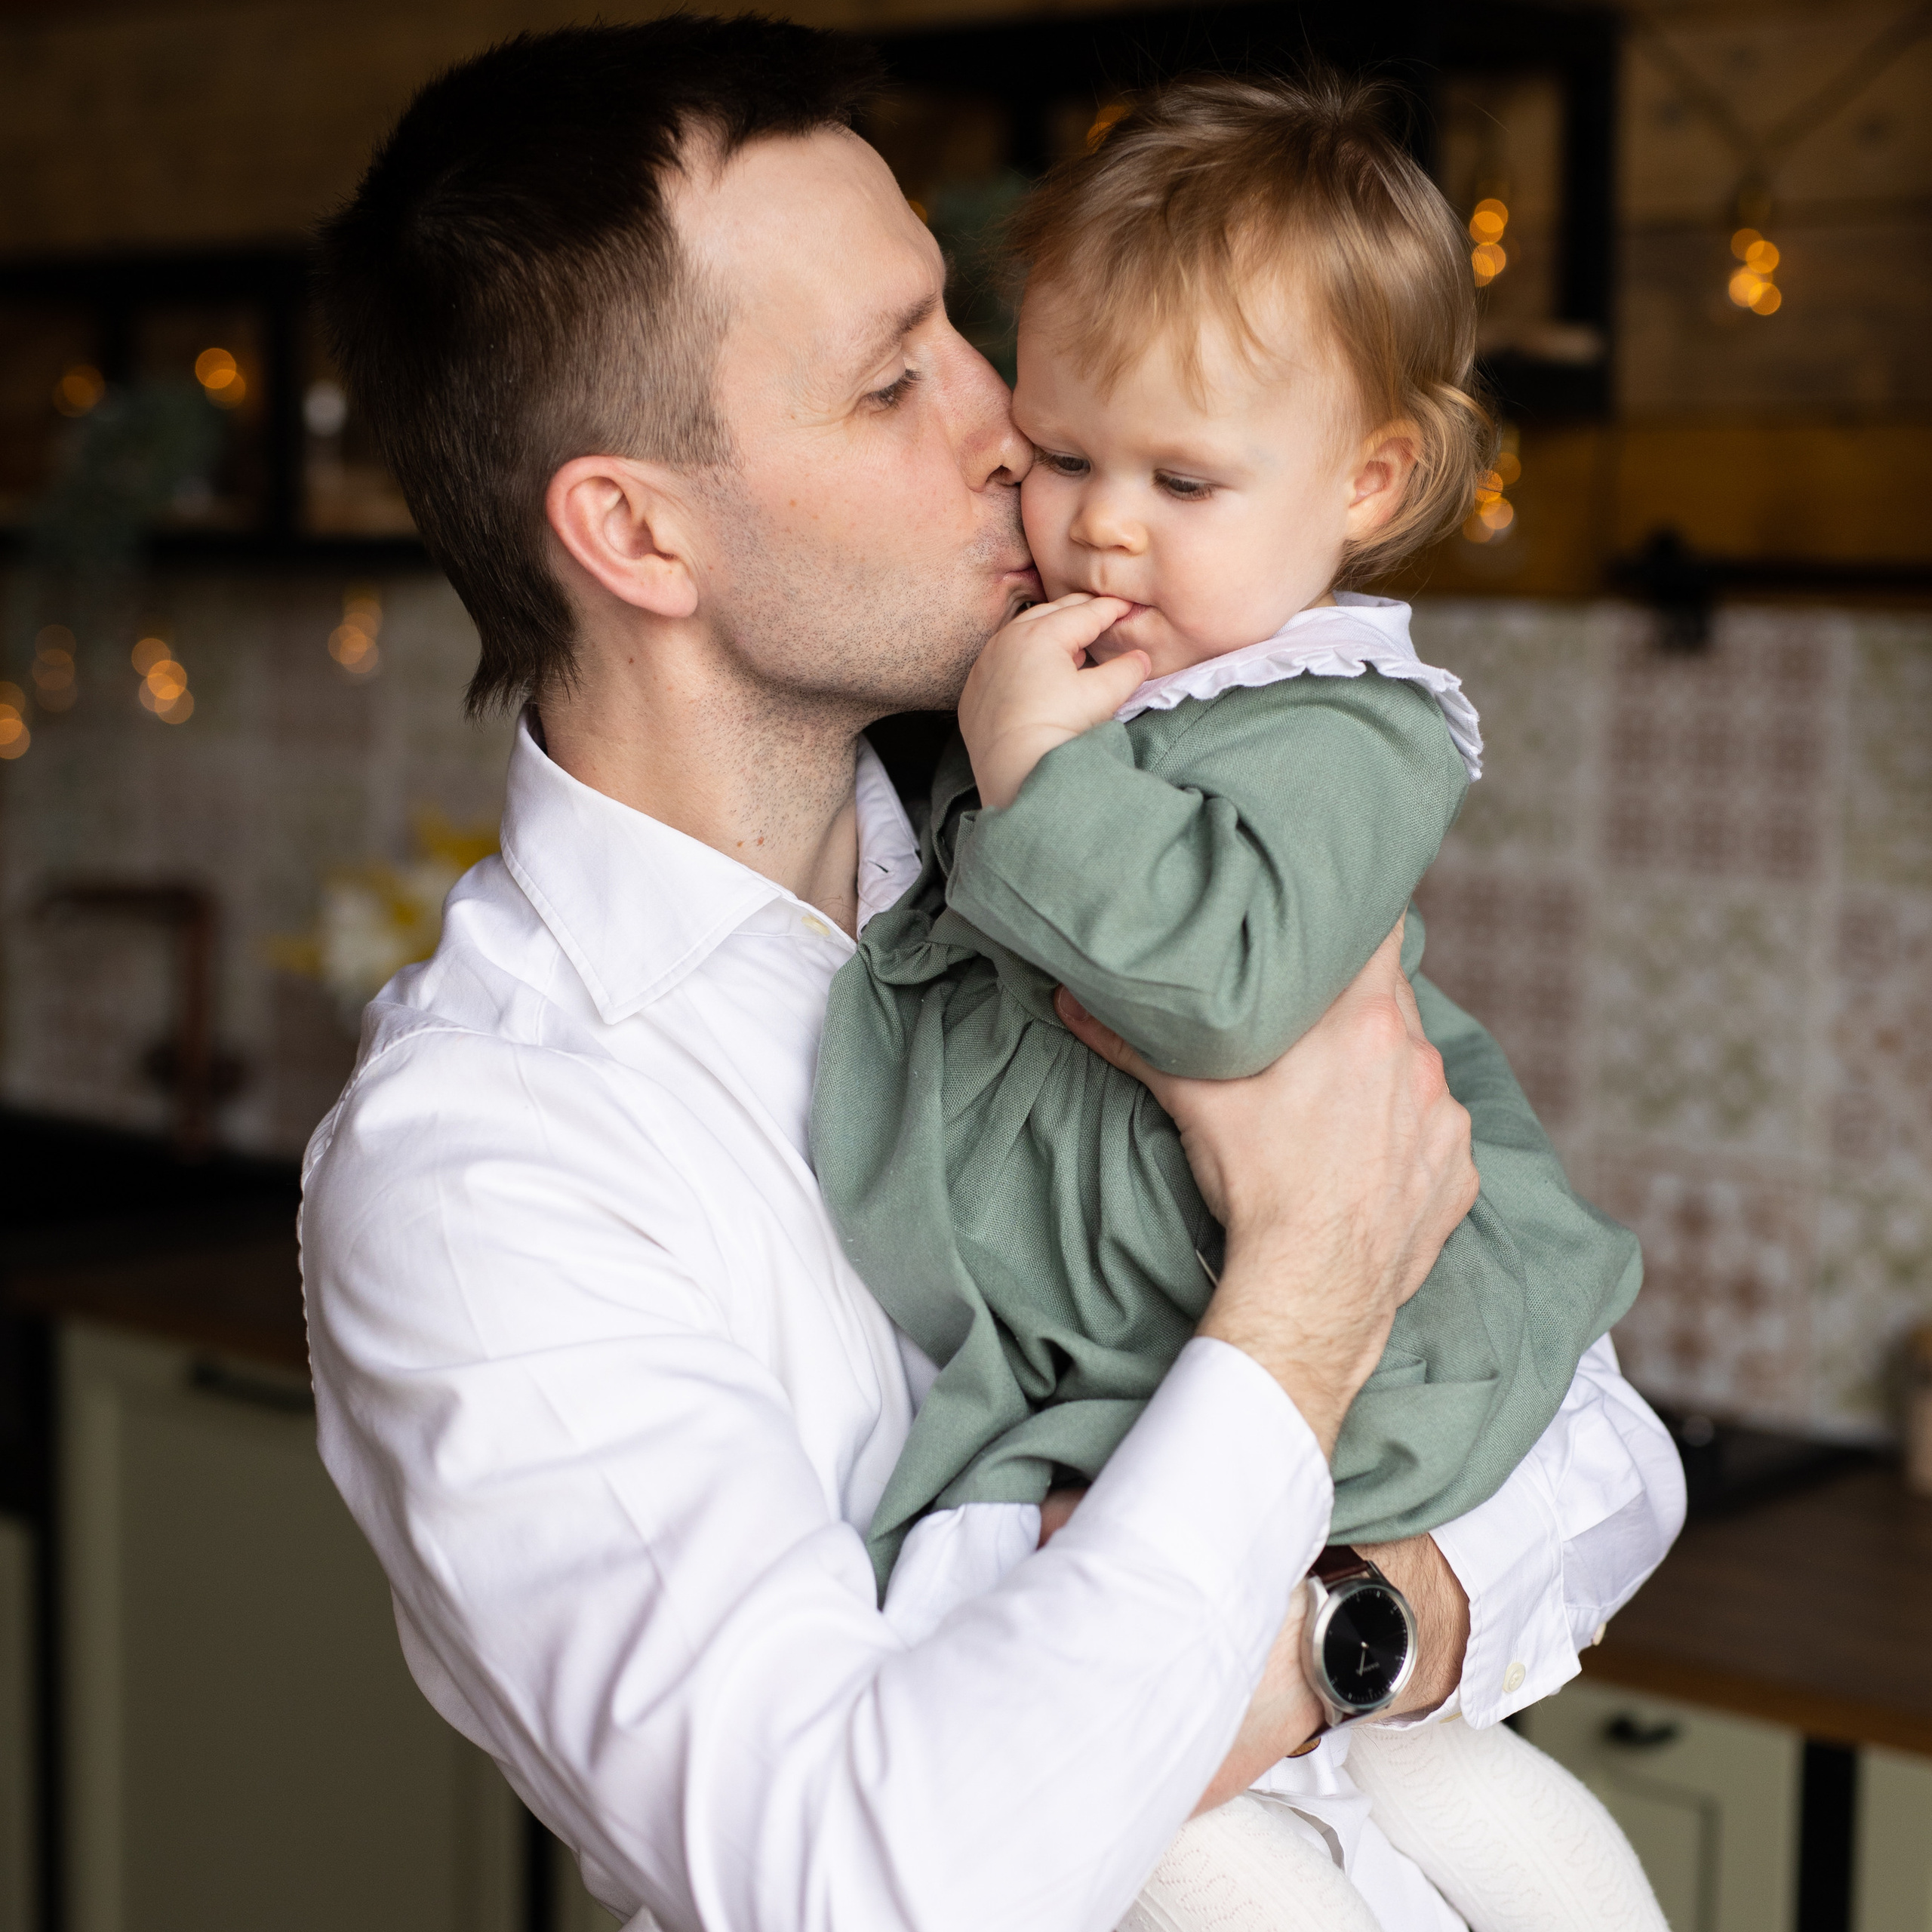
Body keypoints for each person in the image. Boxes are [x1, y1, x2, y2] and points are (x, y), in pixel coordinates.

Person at [300, 18, 1686, 1930]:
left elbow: (1594, 1428)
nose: (1006, 417)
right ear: (634, 528)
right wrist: (1296, 1305)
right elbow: (868, 1881)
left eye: (956, 324)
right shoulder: (487, 1167)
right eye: (890, 385)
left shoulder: (1122, 821)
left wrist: (1341, 1628)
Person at [811, 72, 1667, 1931]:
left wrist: (1041, 778)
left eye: (1181, 480)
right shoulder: (1049, 670)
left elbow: (1214, 993)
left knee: (1371, 1818)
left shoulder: (1344, 720)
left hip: (1322, 1365)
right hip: (1127, 1367)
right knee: (1225, 1822)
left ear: (1365, 479)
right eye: (1056, 454)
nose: (1099, 526)